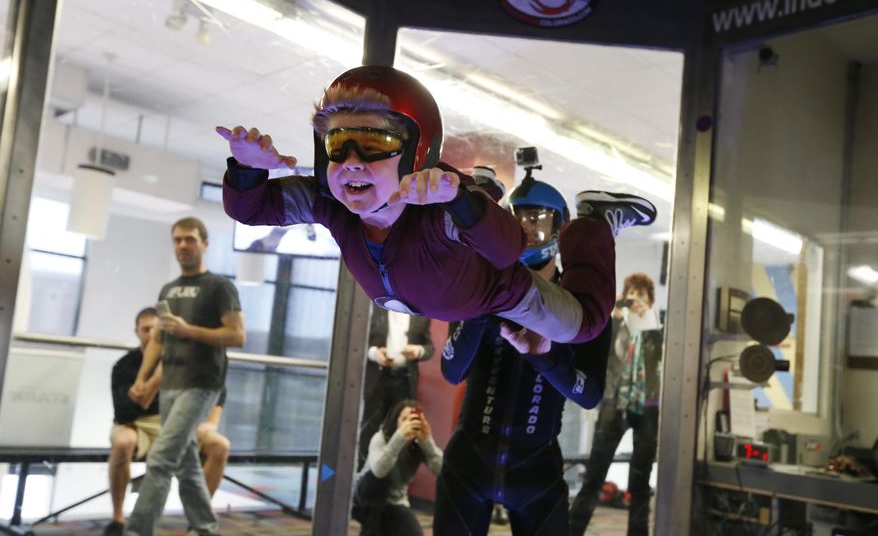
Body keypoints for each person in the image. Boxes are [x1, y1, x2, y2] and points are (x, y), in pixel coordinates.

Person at [218, 65, 657, 347]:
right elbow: (252, 210)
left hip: (495, 293)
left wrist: (460, 200)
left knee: (581, 326)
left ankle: (595, 222)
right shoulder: (330, 201)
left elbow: (508, 248)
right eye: (338, 142)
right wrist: (246, 169)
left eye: (373, 143)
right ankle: (485, 187)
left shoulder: (440, 202)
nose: (351, 161)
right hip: (447, 290)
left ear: (415, 151)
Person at [429, 172, 619, 536]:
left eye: (539, 221)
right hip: (468, 464)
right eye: (518, 220)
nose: (528, 231)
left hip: (536, 469)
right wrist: (478, 306)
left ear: (560, 228)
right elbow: (452, 370)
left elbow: (589, 394)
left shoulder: (584, 304)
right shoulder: (477, 284)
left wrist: (546, 356)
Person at [89, 217, 245, 536]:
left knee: (161, 459)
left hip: (202, 384)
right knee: (187, 463)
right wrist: (143, 379)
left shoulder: (220, 287)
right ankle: (205, 531)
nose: (182, 246)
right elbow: (158, 339)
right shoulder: (168, 290)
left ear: (205, 243)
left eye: (190, 239)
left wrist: (190, 330)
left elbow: (237, 336)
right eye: (177, 240)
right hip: (170, 385)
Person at [99, 307, 231, 536]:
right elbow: (125, 411)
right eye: (145, 329)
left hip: (173, 424)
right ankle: (118, 519)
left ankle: (200, 523)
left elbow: (217, 389)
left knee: (219, 445)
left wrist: (210, 423)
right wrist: (151, 381)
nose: (150, 335)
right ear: (137, 332)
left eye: (156, 330)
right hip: (135, 424)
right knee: (123, 442)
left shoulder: (187, 363)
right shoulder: (125, 365)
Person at [568, 272, 663, 536]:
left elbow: (658, 365)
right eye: (631, 294)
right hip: (613, 404)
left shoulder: (656, 332)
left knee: (639, 483)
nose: (636, 300)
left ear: (650, 300)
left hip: (647, 408)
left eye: (641, 295)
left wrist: (647, 321)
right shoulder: (615, 326)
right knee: (593, 479)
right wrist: (618, 317)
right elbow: (604, 358)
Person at [352, 399, 443, 536]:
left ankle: (383, 530)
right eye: (404, 419)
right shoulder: (380, 438)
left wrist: (427, 441)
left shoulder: (419, 444)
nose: (409, 423)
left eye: (414, 419)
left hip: (395, 504)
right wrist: (399, 438)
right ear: (395, 422)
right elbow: (379, 471)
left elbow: (442, 470)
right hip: (365, 499)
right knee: (380, 481)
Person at [358, 307, 434, 469]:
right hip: (378, 378)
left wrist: (418, 351)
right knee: (370, 426)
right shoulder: (375, 306)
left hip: (405, 379)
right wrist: (374, 354)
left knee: (402, 430)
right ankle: (362, 475)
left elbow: (429, 348)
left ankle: (392, 479)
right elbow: (358, 340)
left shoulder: (420, 312)